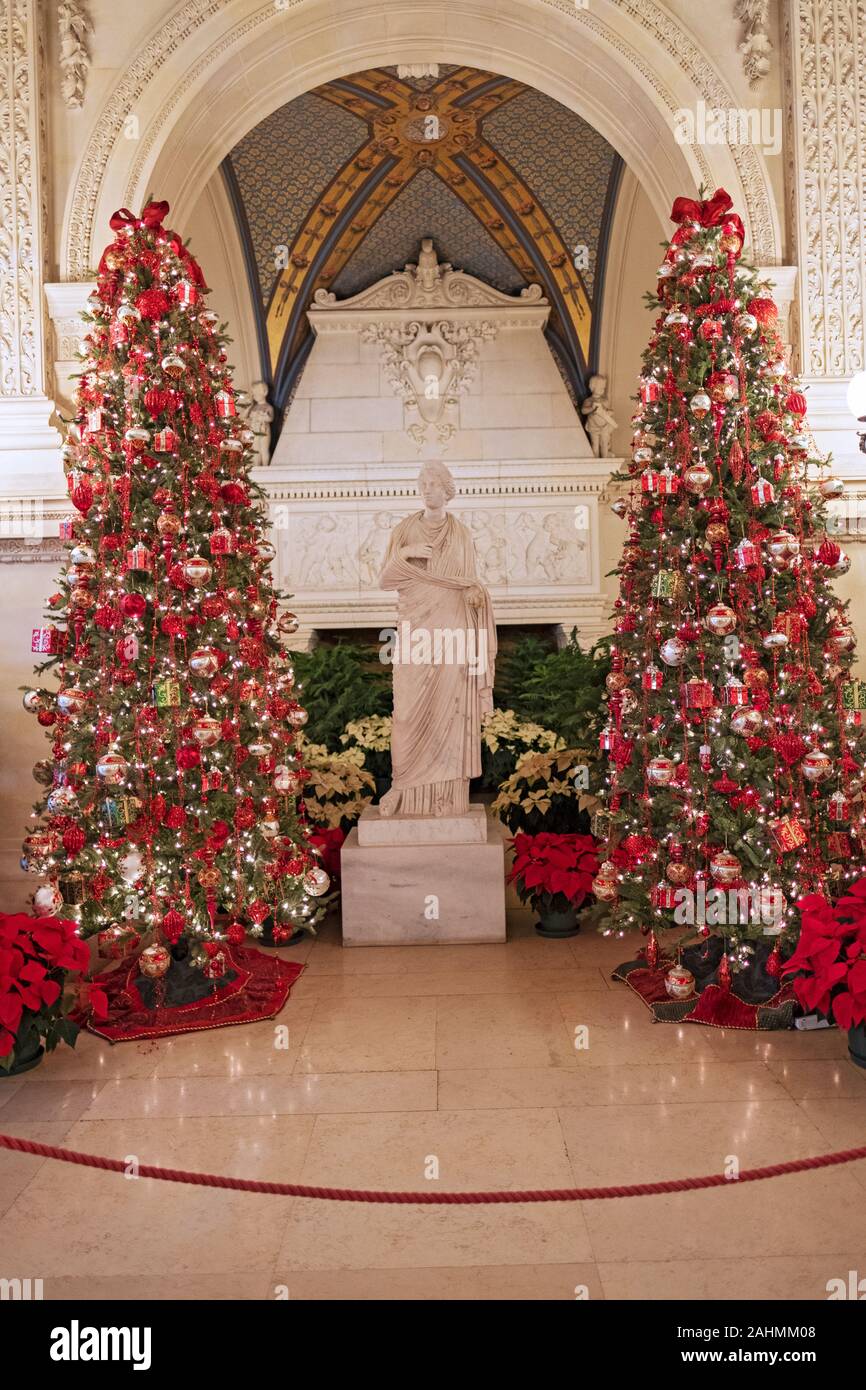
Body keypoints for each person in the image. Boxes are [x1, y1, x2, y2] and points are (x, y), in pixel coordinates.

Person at [378, 460, 496, 817]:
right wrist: (406, 555)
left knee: (451, 715)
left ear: (447, 489)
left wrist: (476, 596)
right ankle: (402, 786)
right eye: (423, 482)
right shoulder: (404, 530)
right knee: (408, 714)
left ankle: (448, 797)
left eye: (434, 483)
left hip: (454, 632)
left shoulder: (461, 534)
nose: (427, 488)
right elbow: (385, 579)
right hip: (415, 635)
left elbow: (469, 583)